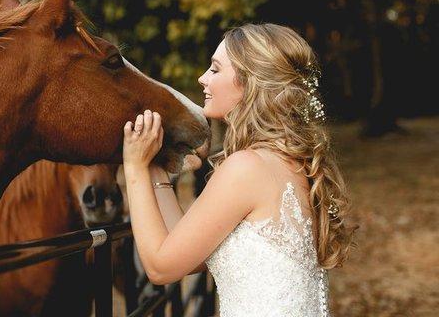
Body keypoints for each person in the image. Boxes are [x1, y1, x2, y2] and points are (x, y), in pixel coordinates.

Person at [122, 23, 356, 316]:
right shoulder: (292, 161)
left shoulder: (248, 167)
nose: (202, 78)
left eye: (215, 69)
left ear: (249, 82)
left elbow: (159, 268)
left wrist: (132, 167)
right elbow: (188, 255)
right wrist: (155, 170)